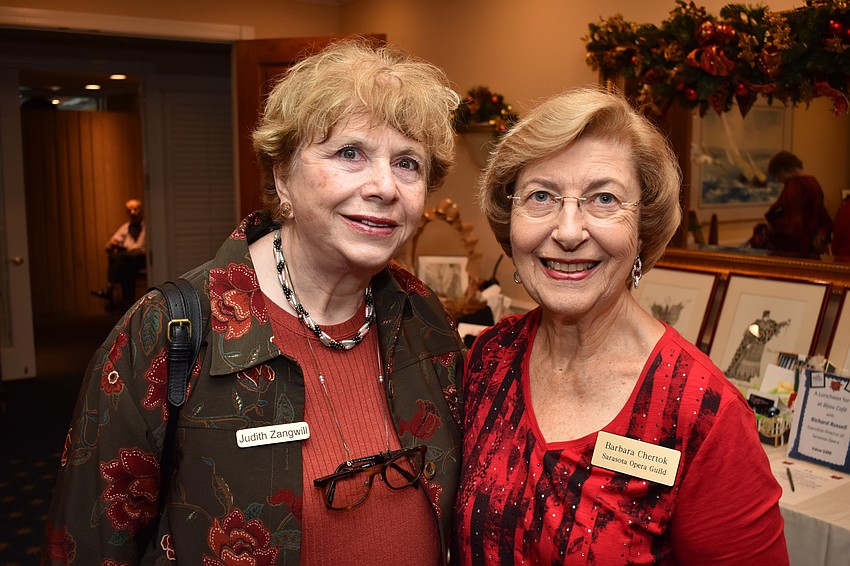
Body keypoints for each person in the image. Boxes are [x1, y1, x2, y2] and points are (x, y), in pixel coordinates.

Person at [44, 39, 464, 564]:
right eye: (349, 153)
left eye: (408, 164)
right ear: (282, 174)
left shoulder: (424, 316)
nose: (384, 186)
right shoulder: (168, 330)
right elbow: (87, 545)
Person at [453, 86, 788, 564]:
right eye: (542, 196)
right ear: (510, 222)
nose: (568, 232)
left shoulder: (703, 414)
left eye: (604, 199)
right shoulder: (489, 359)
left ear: (643, 229)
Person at [763, 151, 832, 259]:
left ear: (782, 170)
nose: (778, 180)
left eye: (777, 176)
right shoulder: (813, 182)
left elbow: (794, 222)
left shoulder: (793, 186)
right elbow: (822, 215)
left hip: (795, 248)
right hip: (812, 245)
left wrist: (773, 228)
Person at [91, 198, 146, 311]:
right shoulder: (125, 228)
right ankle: (127, 306)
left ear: (141, 210)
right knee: (125, 267)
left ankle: (109, 288)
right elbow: (109, 244)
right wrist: (113, 244)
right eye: (129, 210)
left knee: (119, 258)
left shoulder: (148, 226)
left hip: (143, 258)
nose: (132, 212)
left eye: (135, 209)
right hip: (128, 260)